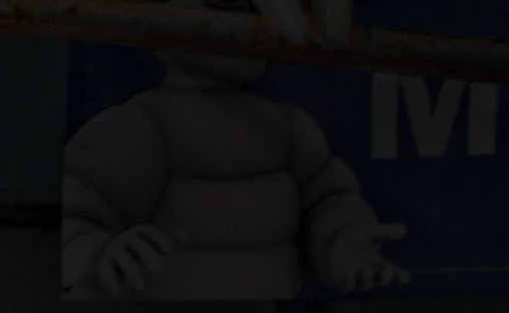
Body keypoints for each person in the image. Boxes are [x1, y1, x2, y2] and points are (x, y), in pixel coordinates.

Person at [63, 42, 408, 299]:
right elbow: (80, 211)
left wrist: (341, 241)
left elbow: (328, 199)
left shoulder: (290, 128)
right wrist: (99, 256)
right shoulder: (137, 128)